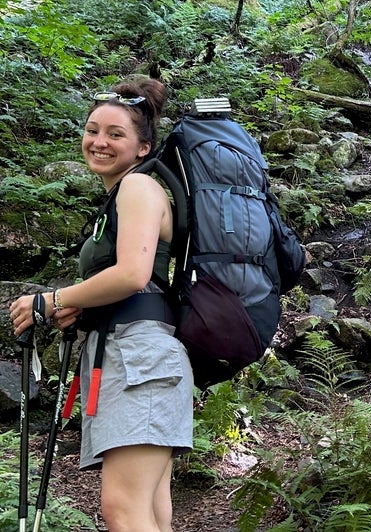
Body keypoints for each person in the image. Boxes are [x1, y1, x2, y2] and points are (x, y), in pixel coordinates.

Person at [8, 77, 193, 532]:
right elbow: (137, 279)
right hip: (134, 355)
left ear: (143, 147)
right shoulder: (120, 196)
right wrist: (83, 308)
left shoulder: (137, 189)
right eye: (93, 130)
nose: (99, 142)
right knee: (149, 512)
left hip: (141, 358)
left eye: (116, 134)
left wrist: (51, 299)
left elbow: (132, 273)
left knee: (123, 510)